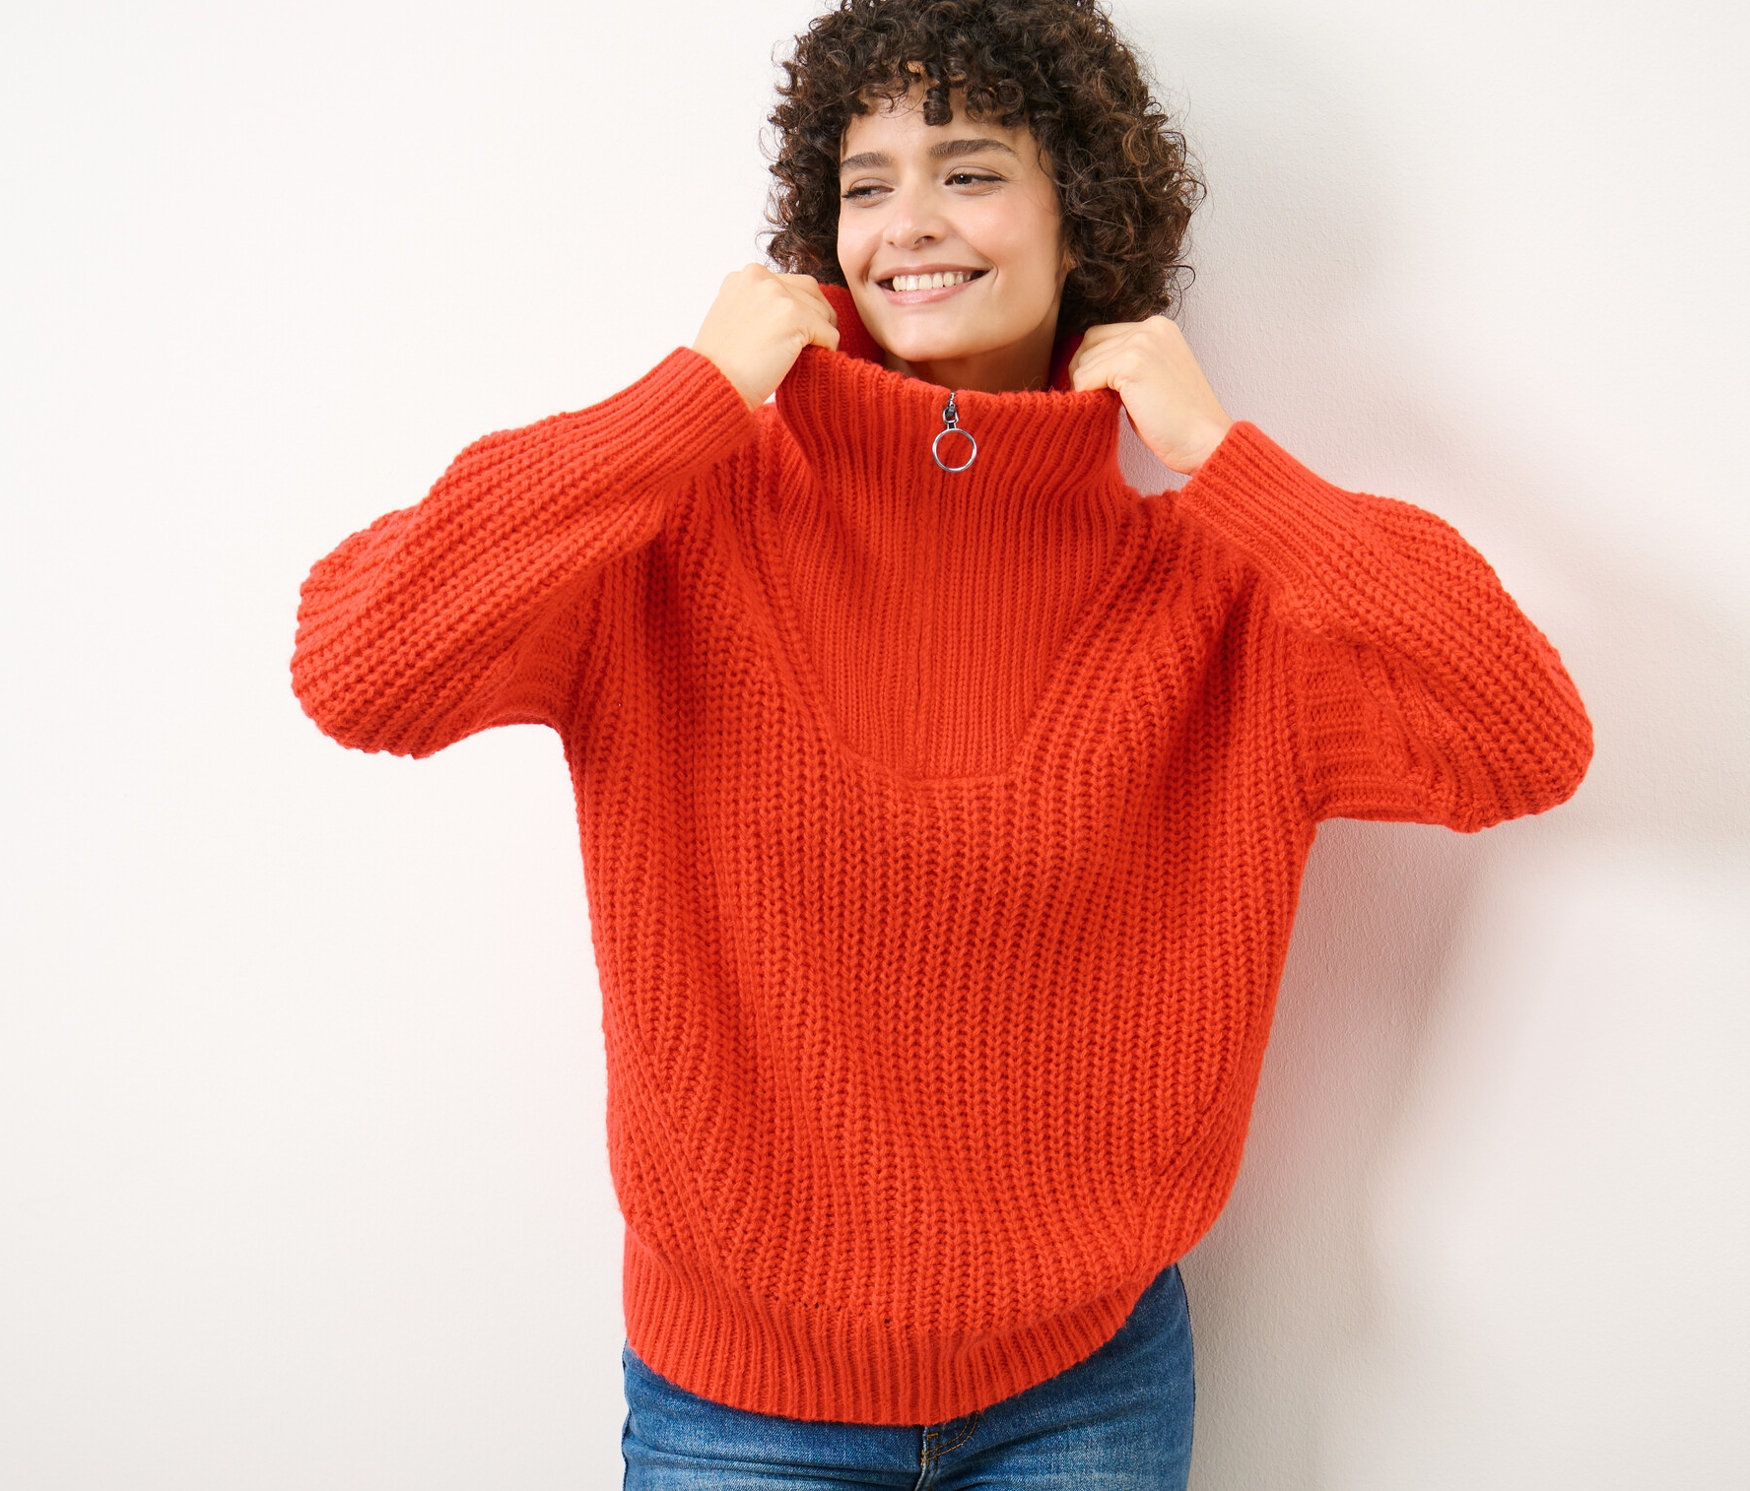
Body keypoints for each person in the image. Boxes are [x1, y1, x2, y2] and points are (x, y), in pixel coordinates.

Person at [288, 0, 1595, 1484]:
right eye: (865, 182)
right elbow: (357, 666)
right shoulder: (671, 535)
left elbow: (1518, 741)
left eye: (968, 169)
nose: (907, 220)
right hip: (735, 1404)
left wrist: (1230, 461)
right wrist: (687, 400)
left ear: (1076, 216)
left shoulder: (1220, 590)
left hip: (1082, 1391)